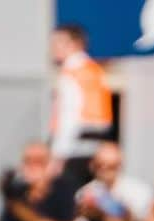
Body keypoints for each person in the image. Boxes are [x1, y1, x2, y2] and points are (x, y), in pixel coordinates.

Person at [49, 23, 113, 193]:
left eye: (58, 43)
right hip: (95, 150)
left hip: (73, 150)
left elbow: (69, 116)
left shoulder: (71, 72)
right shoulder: (94, 70)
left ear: (74, 44)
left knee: (67, 200)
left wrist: (57, 157)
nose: (53, 48)